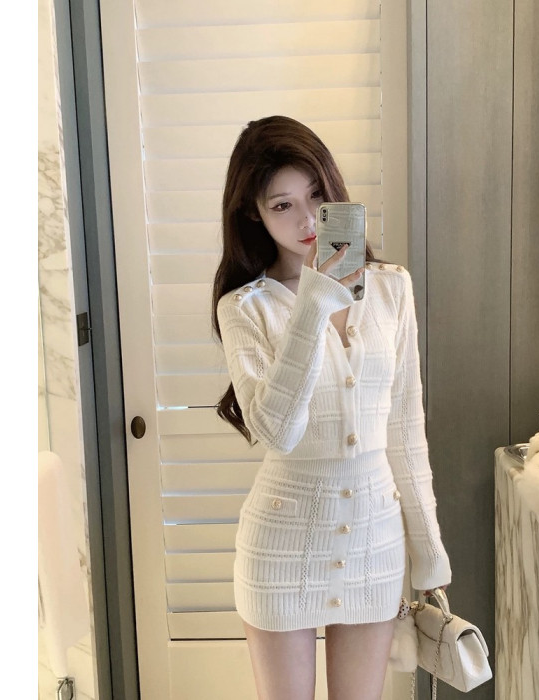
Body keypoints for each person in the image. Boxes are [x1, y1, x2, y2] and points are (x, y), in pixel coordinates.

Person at [212, 116, 451, 700]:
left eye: (316, 196)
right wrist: (314, 300)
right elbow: (277, 431)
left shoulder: (392, 288)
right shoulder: (244, 309)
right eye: (282, 205)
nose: (305, 220)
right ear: (254, 215)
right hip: (282, 547)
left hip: (374, 541)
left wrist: (430, 555)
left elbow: (405, 429)